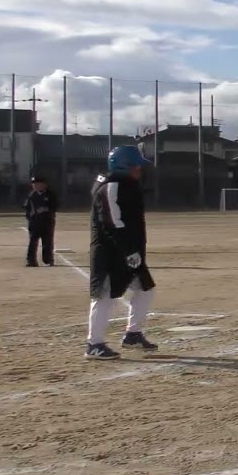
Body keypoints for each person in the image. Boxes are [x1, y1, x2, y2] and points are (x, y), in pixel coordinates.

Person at [85, 146, 159, 360]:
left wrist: (134, 250)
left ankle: (133, 334)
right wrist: (128, 250)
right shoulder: (111, 187)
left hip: (130, 250)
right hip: (110, 252)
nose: (139, 170)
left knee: (145, 289)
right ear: (124, 167)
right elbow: (112, 223)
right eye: (136, 166)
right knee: (104, 296)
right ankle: (94, 344)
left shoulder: (128, 185)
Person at [24, 175, 58, 267]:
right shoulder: (31, 195)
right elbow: (27, 208)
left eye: (38, 184)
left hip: (47, 222)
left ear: (44, 185)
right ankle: (31, 260)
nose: (35, 186)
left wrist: (45, 209)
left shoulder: (50, 194)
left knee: (47, 241)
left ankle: (48, 260)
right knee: (33, 241)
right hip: (35, 223)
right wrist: (30, 217)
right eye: (34, 184)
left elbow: (54, 207)